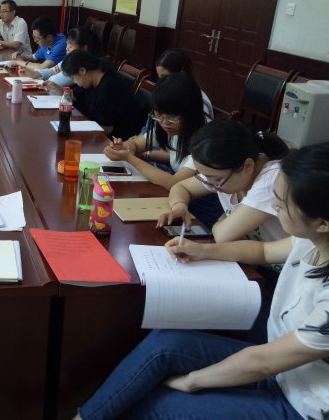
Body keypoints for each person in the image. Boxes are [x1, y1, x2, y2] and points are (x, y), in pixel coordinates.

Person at [74, 142, 329, 420]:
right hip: (284, 371)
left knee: (162, 403)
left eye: (281, 203)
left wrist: (192, 381)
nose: (274, 206)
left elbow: (262, 363)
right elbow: (264, 251)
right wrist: (201, 250)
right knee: (165, 344)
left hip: (303, 404)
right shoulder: (311, 240)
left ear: (322, 222)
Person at [158, 120, 289, 243]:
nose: (210, 183)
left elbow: (222, 236)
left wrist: (220, 223)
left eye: (217, 179)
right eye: (206, 176)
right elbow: (180, 187)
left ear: (248, 166)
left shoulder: (272, 179)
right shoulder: (226, 169)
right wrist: (179, 206)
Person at [103, 74, 209, 190]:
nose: (165, 123)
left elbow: (174, 183)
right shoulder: (168, 125)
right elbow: (137, 144)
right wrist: (123, 147)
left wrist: (128, 157)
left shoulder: (206, 139)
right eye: (158, 115)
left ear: (191, 112)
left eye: (172, 117)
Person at [60, 50, 143, 139]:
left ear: (82, 70)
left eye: (73, 78)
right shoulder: (90, 80)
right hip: (97, 133)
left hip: (116, 139)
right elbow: (72, 96)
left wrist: (76, 126)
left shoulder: (109, 88)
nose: (74, 82)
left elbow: (107, 129)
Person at [156, 48, 213, 119]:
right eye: (159, 77)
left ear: (182, 74)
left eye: (164, 77)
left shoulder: (201, 103)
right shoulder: (162, 94)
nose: (160, 82)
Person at [42, 26, 103, 91]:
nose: (66, 49)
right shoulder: (73, 60)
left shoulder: (80, 67)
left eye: (70, 46)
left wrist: (53, 75)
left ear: (84, 48)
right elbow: (51, 71)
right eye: (67, 45)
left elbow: (52, 81)